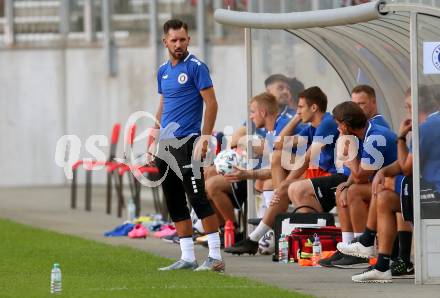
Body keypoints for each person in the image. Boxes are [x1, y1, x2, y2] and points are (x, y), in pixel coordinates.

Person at [224, 86, 340, 255]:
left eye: (300, 107)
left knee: (277, 172)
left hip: (331, 176)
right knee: (276, 164)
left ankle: (266, 234)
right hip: (315, 174)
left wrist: (284, 185)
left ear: (313, 108)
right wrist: (296, 120)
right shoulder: (310, 127)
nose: (297, 112)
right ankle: (288, 240)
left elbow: (307, 158)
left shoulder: (327, 122)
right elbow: (279, 144)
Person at [152, 19, 224, 272]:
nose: (179, 44)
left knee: (197, 197)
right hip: (166, 145)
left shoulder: (196, 67)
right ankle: (187, 257)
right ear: (165, 42)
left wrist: (204, 138)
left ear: (189, 40)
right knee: (173, 201)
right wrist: (154, 134)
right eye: (174, 40)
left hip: (189, 142)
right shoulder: (162, 71)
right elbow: (164, 104)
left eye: (183, 39)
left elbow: (212, 104)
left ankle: (215, 256)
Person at [348, 86, 440, 283]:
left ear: (416, 106)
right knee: (392, 193)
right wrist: (384, 171)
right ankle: (383, 255)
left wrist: (400, 138)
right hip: (432, 191)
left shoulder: (425, 128)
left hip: (436, 196)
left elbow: (407, 167)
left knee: (390, 194)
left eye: (408, 107)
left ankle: (379, 258)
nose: (408, 112)